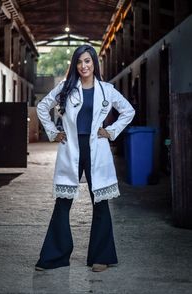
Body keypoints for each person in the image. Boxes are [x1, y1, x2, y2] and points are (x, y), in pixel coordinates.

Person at [35, 44, 135, 272]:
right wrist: (52, 132)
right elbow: (42, 107)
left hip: (96, 150)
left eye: (88, 61)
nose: (83, 66)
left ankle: (101, 257)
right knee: (63, 202)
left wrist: (110, 131)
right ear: (75, 65)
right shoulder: (66, 87)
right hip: (71, 148)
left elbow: (128, 111)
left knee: (100, 202)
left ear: (94, 63)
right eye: (79, 62)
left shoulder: (106, 89)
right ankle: (54, 256)